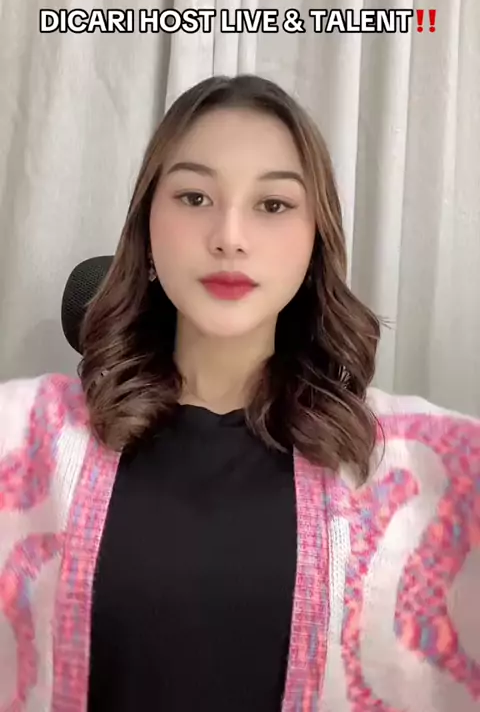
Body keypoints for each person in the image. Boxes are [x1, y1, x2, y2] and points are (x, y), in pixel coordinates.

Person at [0, 74, 479, 712]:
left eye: (272, 205)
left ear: (315, 242)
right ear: (147, 227)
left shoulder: (419, 464)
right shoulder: (27, 435)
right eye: (195, 197)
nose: (229, 235)